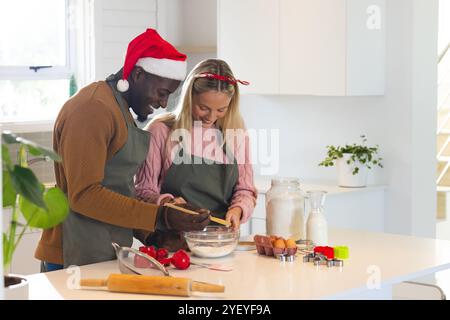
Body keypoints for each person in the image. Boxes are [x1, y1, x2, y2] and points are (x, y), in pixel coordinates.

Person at [35, 29, 210, 271]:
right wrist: (161, 216)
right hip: (73, 255)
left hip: (103, 249)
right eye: (162, 93)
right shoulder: (93, 109)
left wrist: (151, 234)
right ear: (138, 74)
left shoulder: (119, 110)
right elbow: (85, 194)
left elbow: (117, 189)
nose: (163, 104)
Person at [134, 59, 257, 251]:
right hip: (172, 245)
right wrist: (169, 204)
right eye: (204, 108)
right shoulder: (161, 131)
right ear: (189, 97)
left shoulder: (236, 136)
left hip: (218, 245)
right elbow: (142, 192)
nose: (211, 117)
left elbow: (246, 190)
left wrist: (238, 209)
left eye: (221, 110)